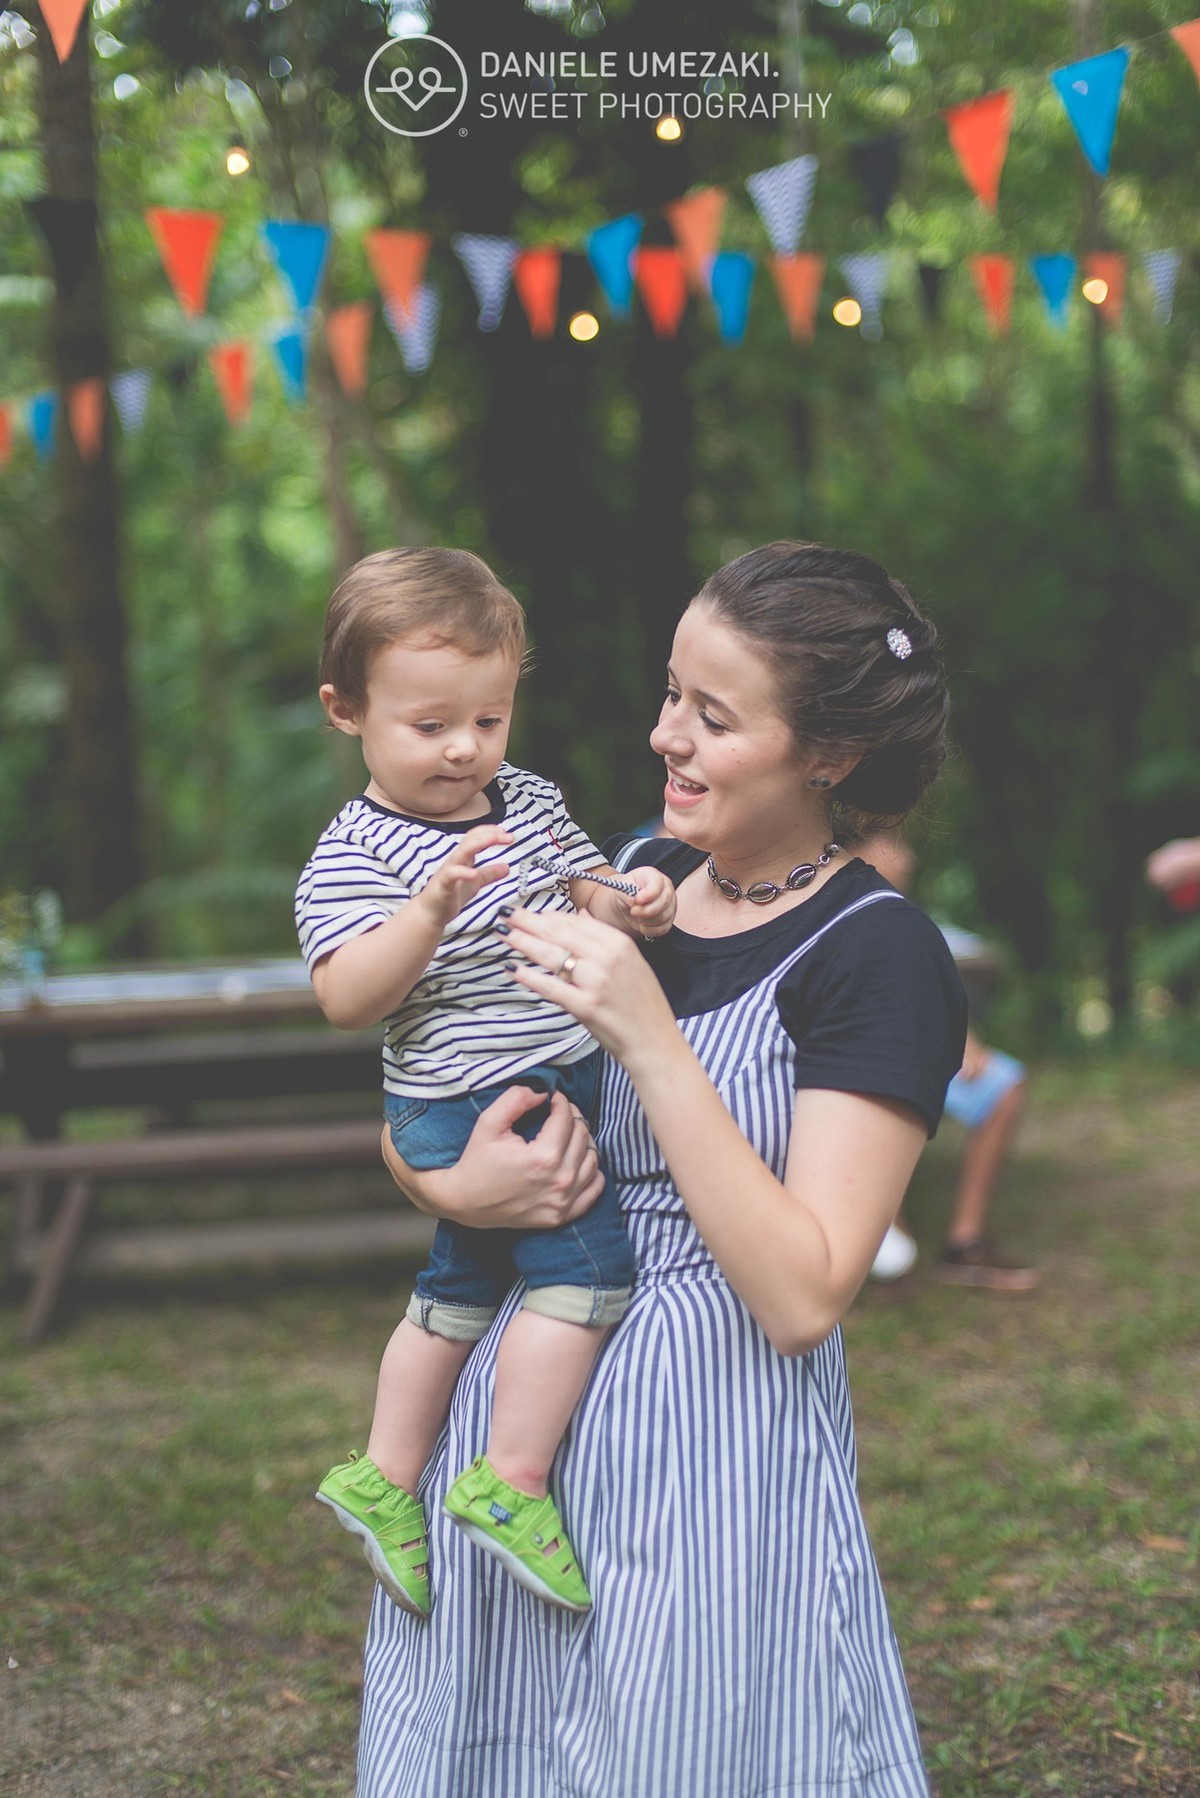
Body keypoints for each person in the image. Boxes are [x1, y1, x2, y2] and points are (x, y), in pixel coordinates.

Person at [357, 541, 968, 1798]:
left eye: (713, 714)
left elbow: (805, 1295)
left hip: (703, 1456)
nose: (665, 736)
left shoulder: (880, 956)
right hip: (513, 1427)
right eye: (671, 695)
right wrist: (447, 1190)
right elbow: (432, 1084)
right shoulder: (635, 874)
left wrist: (643, 1030)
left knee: (674, 1745)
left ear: (829, 755)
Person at [295, 547, 676, 1620]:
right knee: (592, 1269)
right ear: (347, 710)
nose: (465, 750)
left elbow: (583, 885)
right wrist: (424, 913)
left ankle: (383, 1473)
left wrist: (627, 898)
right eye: (430, 726)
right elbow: (345, 996)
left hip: (524, 1081)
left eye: (489, 719)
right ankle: (510, 1480)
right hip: (459, 1103)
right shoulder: (351, 858)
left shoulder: (527, 798)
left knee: (457, 1290)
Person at [861, 832, 1039, 1294]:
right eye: (895, 845)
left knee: (1003, 1082)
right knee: (884, 1087)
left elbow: (928, 986)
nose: (908, 856)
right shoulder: (828, 905)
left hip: (917, 1048)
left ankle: (965, 1241)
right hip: (861, 1057)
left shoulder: (902, 915)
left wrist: (962, 1038)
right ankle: (877, 1241)